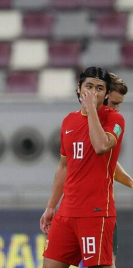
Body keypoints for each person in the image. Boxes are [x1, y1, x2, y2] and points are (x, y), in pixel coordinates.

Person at [40, 67, 124, 268]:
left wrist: (92, 111)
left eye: (99, 88)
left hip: (95, 212)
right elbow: (63, 167)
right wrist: (51, 206)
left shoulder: (114, 119)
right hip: (66, 213)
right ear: (79, 89)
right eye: (89, 86)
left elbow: (101, 146)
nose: (93, 92)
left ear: (105, 94)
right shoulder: (69, 120)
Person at [105, 72, 131, 268]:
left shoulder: (115, 123)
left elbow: (109, 164)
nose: (117, 109)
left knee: (107, 263)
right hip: (74, 209)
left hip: (102, 211)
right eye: (113, 103)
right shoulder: (76, 123)